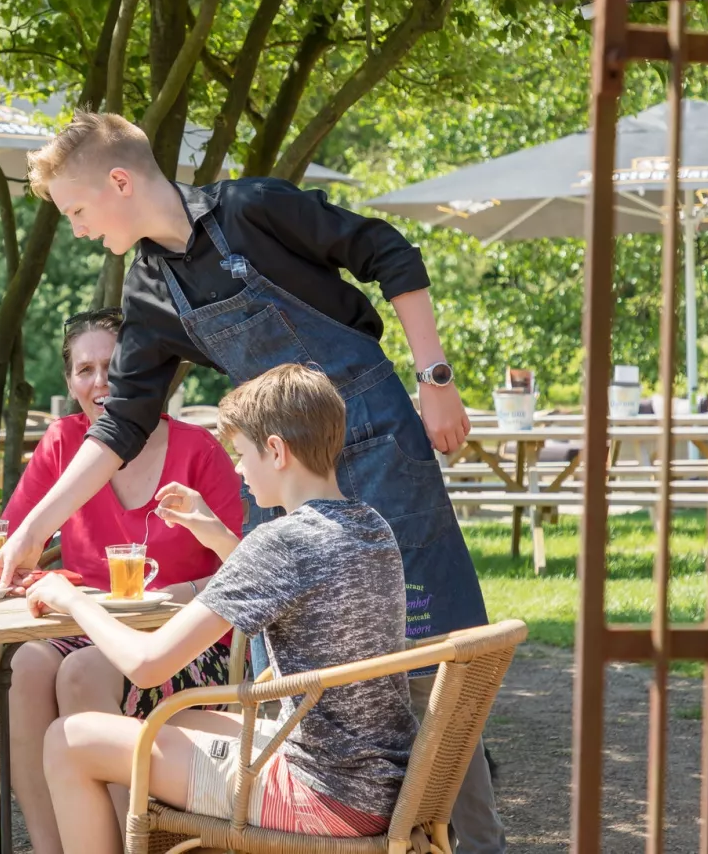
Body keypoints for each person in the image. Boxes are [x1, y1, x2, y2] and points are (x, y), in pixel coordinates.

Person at [0, 111, 503, 851]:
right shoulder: (149, 294)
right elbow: (119, 426)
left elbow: (387, 250)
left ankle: (471, 844)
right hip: (278, 474)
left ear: (120, 181)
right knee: (274, 659)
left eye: (75, 210)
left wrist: (436, 378)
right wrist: (37, 526)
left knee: (435, 655)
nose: (74, 230)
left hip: (381, 444)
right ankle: (299, 825)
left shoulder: (254, 208)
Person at [27, 364, 418, 850]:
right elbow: (289, 582)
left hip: (319, 794)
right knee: (166, 723)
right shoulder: (370, 526)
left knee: (68, 741)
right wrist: (211, 531)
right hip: (382, 779)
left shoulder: (279, 542)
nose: (238, 470)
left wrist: (70, 599)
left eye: (242, 453)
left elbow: (147, 666)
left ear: (276, 451)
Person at [2, 307, 245, 854]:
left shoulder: (198, 450)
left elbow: (243, 570)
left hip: (185, 640)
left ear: (144, 370)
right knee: (26, 666)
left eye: (113, 366)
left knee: (82, 673)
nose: (99, 382)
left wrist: (177, 596)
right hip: (88, 622)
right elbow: (17, 543)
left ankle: (124, 847)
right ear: (69, 381)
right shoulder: (65, 443)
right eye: (84, 370)